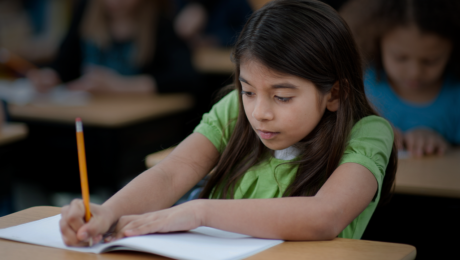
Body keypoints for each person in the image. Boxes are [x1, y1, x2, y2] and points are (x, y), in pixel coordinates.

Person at [59, 0, 397, 246]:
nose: (259, 112)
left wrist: (202, 212)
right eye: (249, 90)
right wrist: (107, 212)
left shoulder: (366, 131)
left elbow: (326, 216)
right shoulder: (236, 109)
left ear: (334, 93)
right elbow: (171, 172)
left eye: (282, 97)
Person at [340, 0, 460, 157]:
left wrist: (443, 145)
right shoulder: (360, 86)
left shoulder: (455, 99)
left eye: (430, 61)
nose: (414, 72)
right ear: (377, 43)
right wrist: (368, 131)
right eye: (400, 58)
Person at [27, 0, 201, 94]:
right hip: (88, 114)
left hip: (133, 123)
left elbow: (185, 77)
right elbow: (65, 63)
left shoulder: (159, 19)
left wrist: (120, 86)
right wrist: (50, 75)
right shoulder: (87, 10)